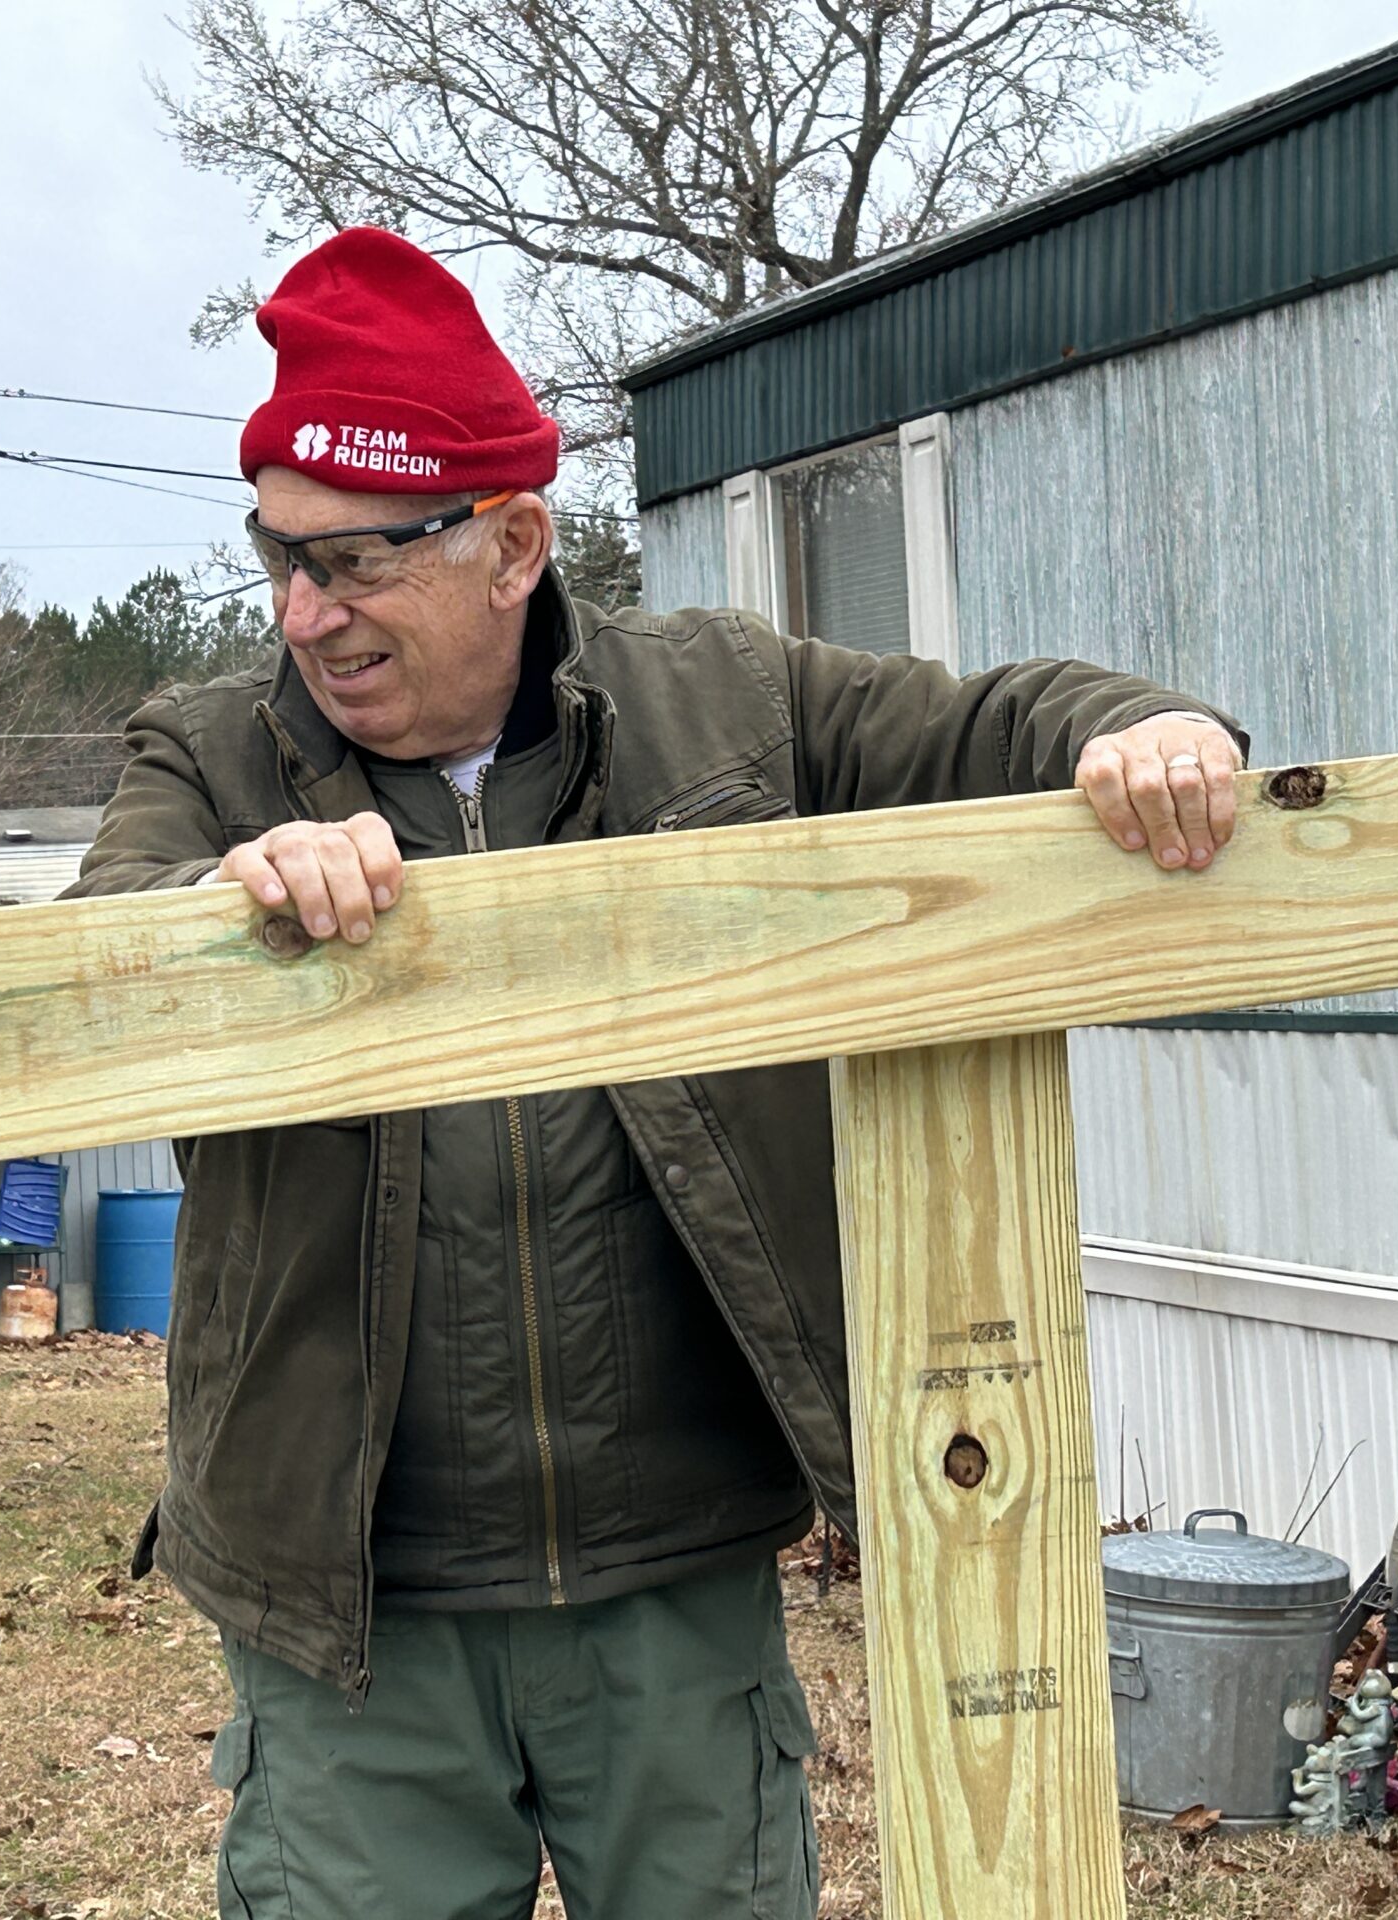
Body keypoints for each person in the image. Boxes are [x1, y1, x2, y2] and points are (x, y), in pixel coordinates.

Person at [67, 227, 1246, 1920]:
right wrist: (220, 906)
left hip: (676, 1587)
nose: (304, 614)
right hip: (356, 1620)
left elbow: (1000, 725)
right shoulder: (211, 754)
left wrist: (1153, 733)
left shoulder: (725, 706)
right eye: (279, 557)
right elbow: (94, 962)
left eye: (355, 561)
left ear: (511, 544)